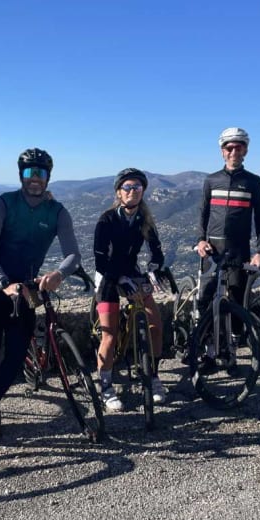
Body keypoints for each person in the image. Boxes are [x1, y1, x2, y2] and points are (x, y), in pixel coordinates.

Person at [0, 148, 81, 441]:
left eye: (40, 173)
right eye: (30, 173)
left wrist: (59, 274)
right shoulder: (4, 204)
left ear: (48, 178)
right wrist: (3, 282)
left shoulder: (56, 212)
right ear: (21, 175)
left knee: (18, 352)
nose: (35, 179)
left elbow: (73, 254)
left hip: (26, 289)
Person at [93, 168, 167, 411]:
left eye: (137, 187)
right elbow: (100, 261)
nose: (132, 191)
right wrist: (120, 278)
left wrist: (154, 270)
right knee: (110, 335)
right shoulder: (107, 219)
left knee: (156, 325)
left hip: (132, 272)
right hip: (108, 276)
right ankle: (105, 386)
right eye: (127, 187)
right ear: (119, 192)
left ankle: (153, 376)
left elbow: (156, 253)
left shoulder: (144, 219)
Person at [195, 127, 260, 312]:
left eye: (238, 147)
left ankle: (235, 337)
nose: (233, 152)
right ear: (222, 151)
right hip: (212, 248)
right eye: (229, 148)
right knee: (205, 298)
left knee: (238, 297)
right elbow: (203, 213)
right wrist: (200, 240)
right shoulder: (211, 180)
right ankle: (205, 338)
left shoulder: (254, 181)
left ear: (245, 151)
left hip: (238, 248)